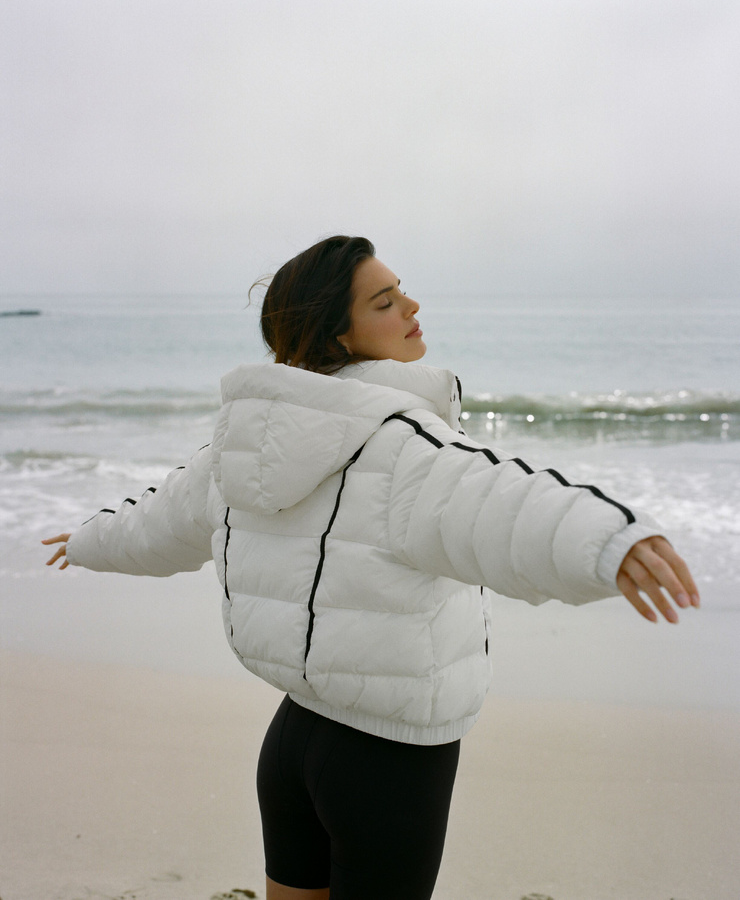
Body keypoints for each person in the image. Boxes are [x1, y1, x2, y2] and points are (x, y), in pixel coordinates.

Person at [43, 235, 699, 900]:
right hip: (390, 766)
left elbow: (157, 525)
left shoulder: (243, 442)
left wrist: (89, 540)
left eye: (400, 292)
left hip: (291, 742)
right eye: (385, 302)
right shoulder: (401, 445)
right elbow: (501, 502)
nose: (411, 307)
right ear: (338, 333)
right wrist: (612, 541)